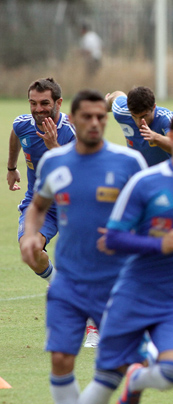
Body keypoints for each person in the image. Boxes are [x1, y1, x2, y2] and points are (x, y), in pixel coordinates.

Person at [78, 106, 173, 403]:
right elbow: (112, 238)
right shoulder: (145, 183)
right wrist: (158, 245)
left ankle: (137, 379)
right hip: (134, 294)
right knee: (104, 384)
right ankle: (128, 378)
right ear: (172, 137)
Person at [19, 89, 146, 404]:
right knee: (61, 359)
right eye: (86, 117)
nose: (94, 122)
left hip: (116, 283)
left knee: (132, 366)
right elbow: (37, 206)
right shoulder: (54, 161)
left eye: (100, 117)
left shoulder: (129, 162)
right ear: (73, 120)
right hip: (69, 282)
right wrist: (32, 233)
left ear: (106, 120)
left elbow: (149, 212)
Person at [8, 77, 75, 284]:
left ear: (58, 103)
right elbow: (15, 135)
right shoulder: (23, 125)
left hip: (73, 205)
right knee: (31, 250)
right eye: (33, 103)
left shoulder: (73, 131)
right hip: (40, 203)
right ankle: (59, 288)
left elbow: (78, 174)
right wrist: (12, 168)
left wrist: (54, 146)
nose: (38, 109)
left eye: (45, 103)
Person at [106, 86, 173, 166]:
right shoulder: (122, 111)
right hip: (137, 172)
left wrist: (155, 137)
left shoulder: (166, 118)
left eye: (144, 116)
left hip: (163, 174)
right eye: (134, 116)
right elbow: (116, 95)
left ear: (154, 107)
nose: (139, 122)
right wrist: (103, 106)